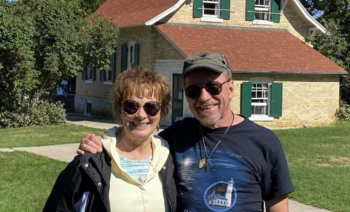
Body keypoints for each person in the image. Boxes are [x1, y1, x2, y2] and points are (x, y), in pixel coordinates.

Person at [79, 52, 294, 212]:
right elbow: (138, 135)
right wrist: (101, 143)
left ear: (230, 88)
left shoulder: (265, 143)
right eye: (193, 90)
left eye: (213, 87)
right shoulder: (174, 137)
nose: (203, 97)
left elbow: (278, 208)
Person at [44, 67, 177, 212]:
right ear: (120, 109)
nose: (141, 115)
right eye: (131, 106)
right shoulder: (90, 162)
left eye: (151, 107)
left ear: (161, 112)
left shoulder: (169, 158)